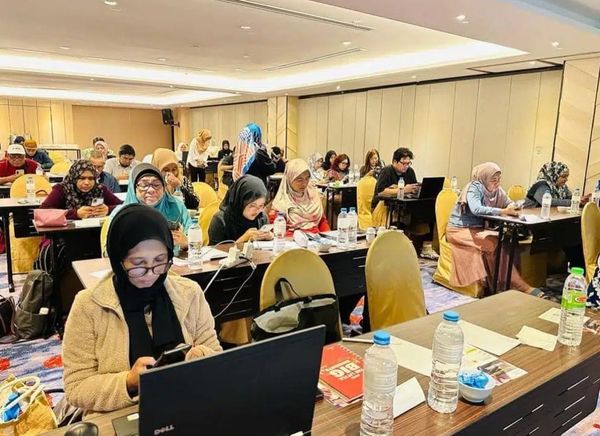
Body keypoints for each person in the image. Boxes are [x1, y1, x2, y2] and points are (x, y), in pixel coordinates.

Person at [63, 204, 221, 413]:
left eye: (160, 261)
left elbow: (215, 353)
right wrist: (128, 382)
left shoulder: (188, 293)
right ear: (118, 260)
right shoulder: (88, 305)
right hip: (118, 415)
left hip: (186, 403)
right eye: (138, 264)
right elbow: (76, 387)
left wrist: (197, 356)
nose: (150, 274)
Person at [446, 162, 540, 295]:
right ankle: (517, 285)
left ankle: (504, 283)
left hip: (478, 229)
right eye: (493, 180)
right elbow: (476, 209)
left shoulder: (497, 190)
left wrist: (513, 206)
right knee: (493, 245)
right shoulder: (475, 187)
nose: (497, 183)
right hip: (459, 230)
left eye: (499, 179)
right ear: (483, 178)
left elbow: (508, 203)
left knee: (507, 241)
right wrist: (503, 211)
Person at [118, 164, 191, 249]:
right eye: (144, 185)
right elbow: (110, 251)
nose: (151, 190)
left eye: (156, 185)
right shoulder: (121, 215)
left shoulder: (176, 206)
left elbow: (194, 237)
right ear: (134, 188)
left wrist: (186, 243)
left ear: (164, 187)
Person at [41, 160, 122, 219]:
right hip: (66, 235)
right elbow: (43, 212)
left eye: (91, 178)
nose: (87, 182)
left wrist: (109, 210)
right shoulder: (62, 189)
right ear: (74, 178)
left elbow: (123, 207)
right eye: (82, 178)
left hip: (95, 234)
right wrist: (75, 214)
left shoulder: (100, 189)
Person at [208, 175, 272, 244]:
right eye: (252, 205)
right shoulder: (221, 220)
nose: (257, 210)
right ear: (240, 202)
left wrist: (270, 238)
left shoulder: (261, 218)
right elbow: (214, 249)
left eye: (261, 205)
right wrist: (243, 239)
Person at [271, 159, 330, 233]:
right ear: (289, 179)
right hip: (292, 238)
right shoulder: (281, 203)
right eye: (299, 180)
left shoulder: (312, 195)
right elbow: (277, 231)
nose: (304, 183)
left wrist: (328, 236)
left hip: (316, 237)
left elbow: (322, 221)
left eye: (307, 178)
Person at [524, 161, 590, 208]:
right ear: (553, 175)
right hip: (530, 217)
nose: (566, 179)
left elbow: (570, 197)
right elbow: (549, 202)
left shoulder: (561, 186)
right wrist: (574, 202)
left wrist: (581, 200)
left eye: (567, 177)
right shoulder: (541, 185)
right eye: (563, 177)